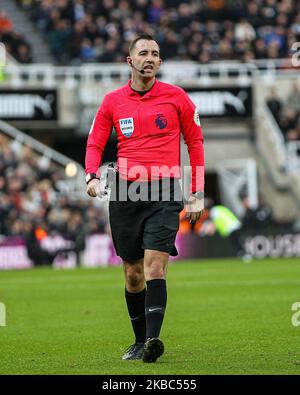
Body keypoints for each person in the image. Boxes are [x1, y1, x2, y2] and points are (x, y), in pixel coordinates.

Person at [85, 33, 205, 363]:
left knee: (155, 267)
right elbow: (95, 142)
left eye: (155, 53)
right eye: (143, 53)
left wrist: (196, 192)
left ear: (160, 62)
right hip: (125, 192)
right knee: (133, 273)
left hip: (165, 190)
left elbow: (195, 145)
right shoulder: (112, 101)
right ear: (130, 61)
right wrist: (91, 175)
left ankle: (153, 340)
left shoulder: (177, 97)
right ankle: (139, 340)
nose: (149, 58)